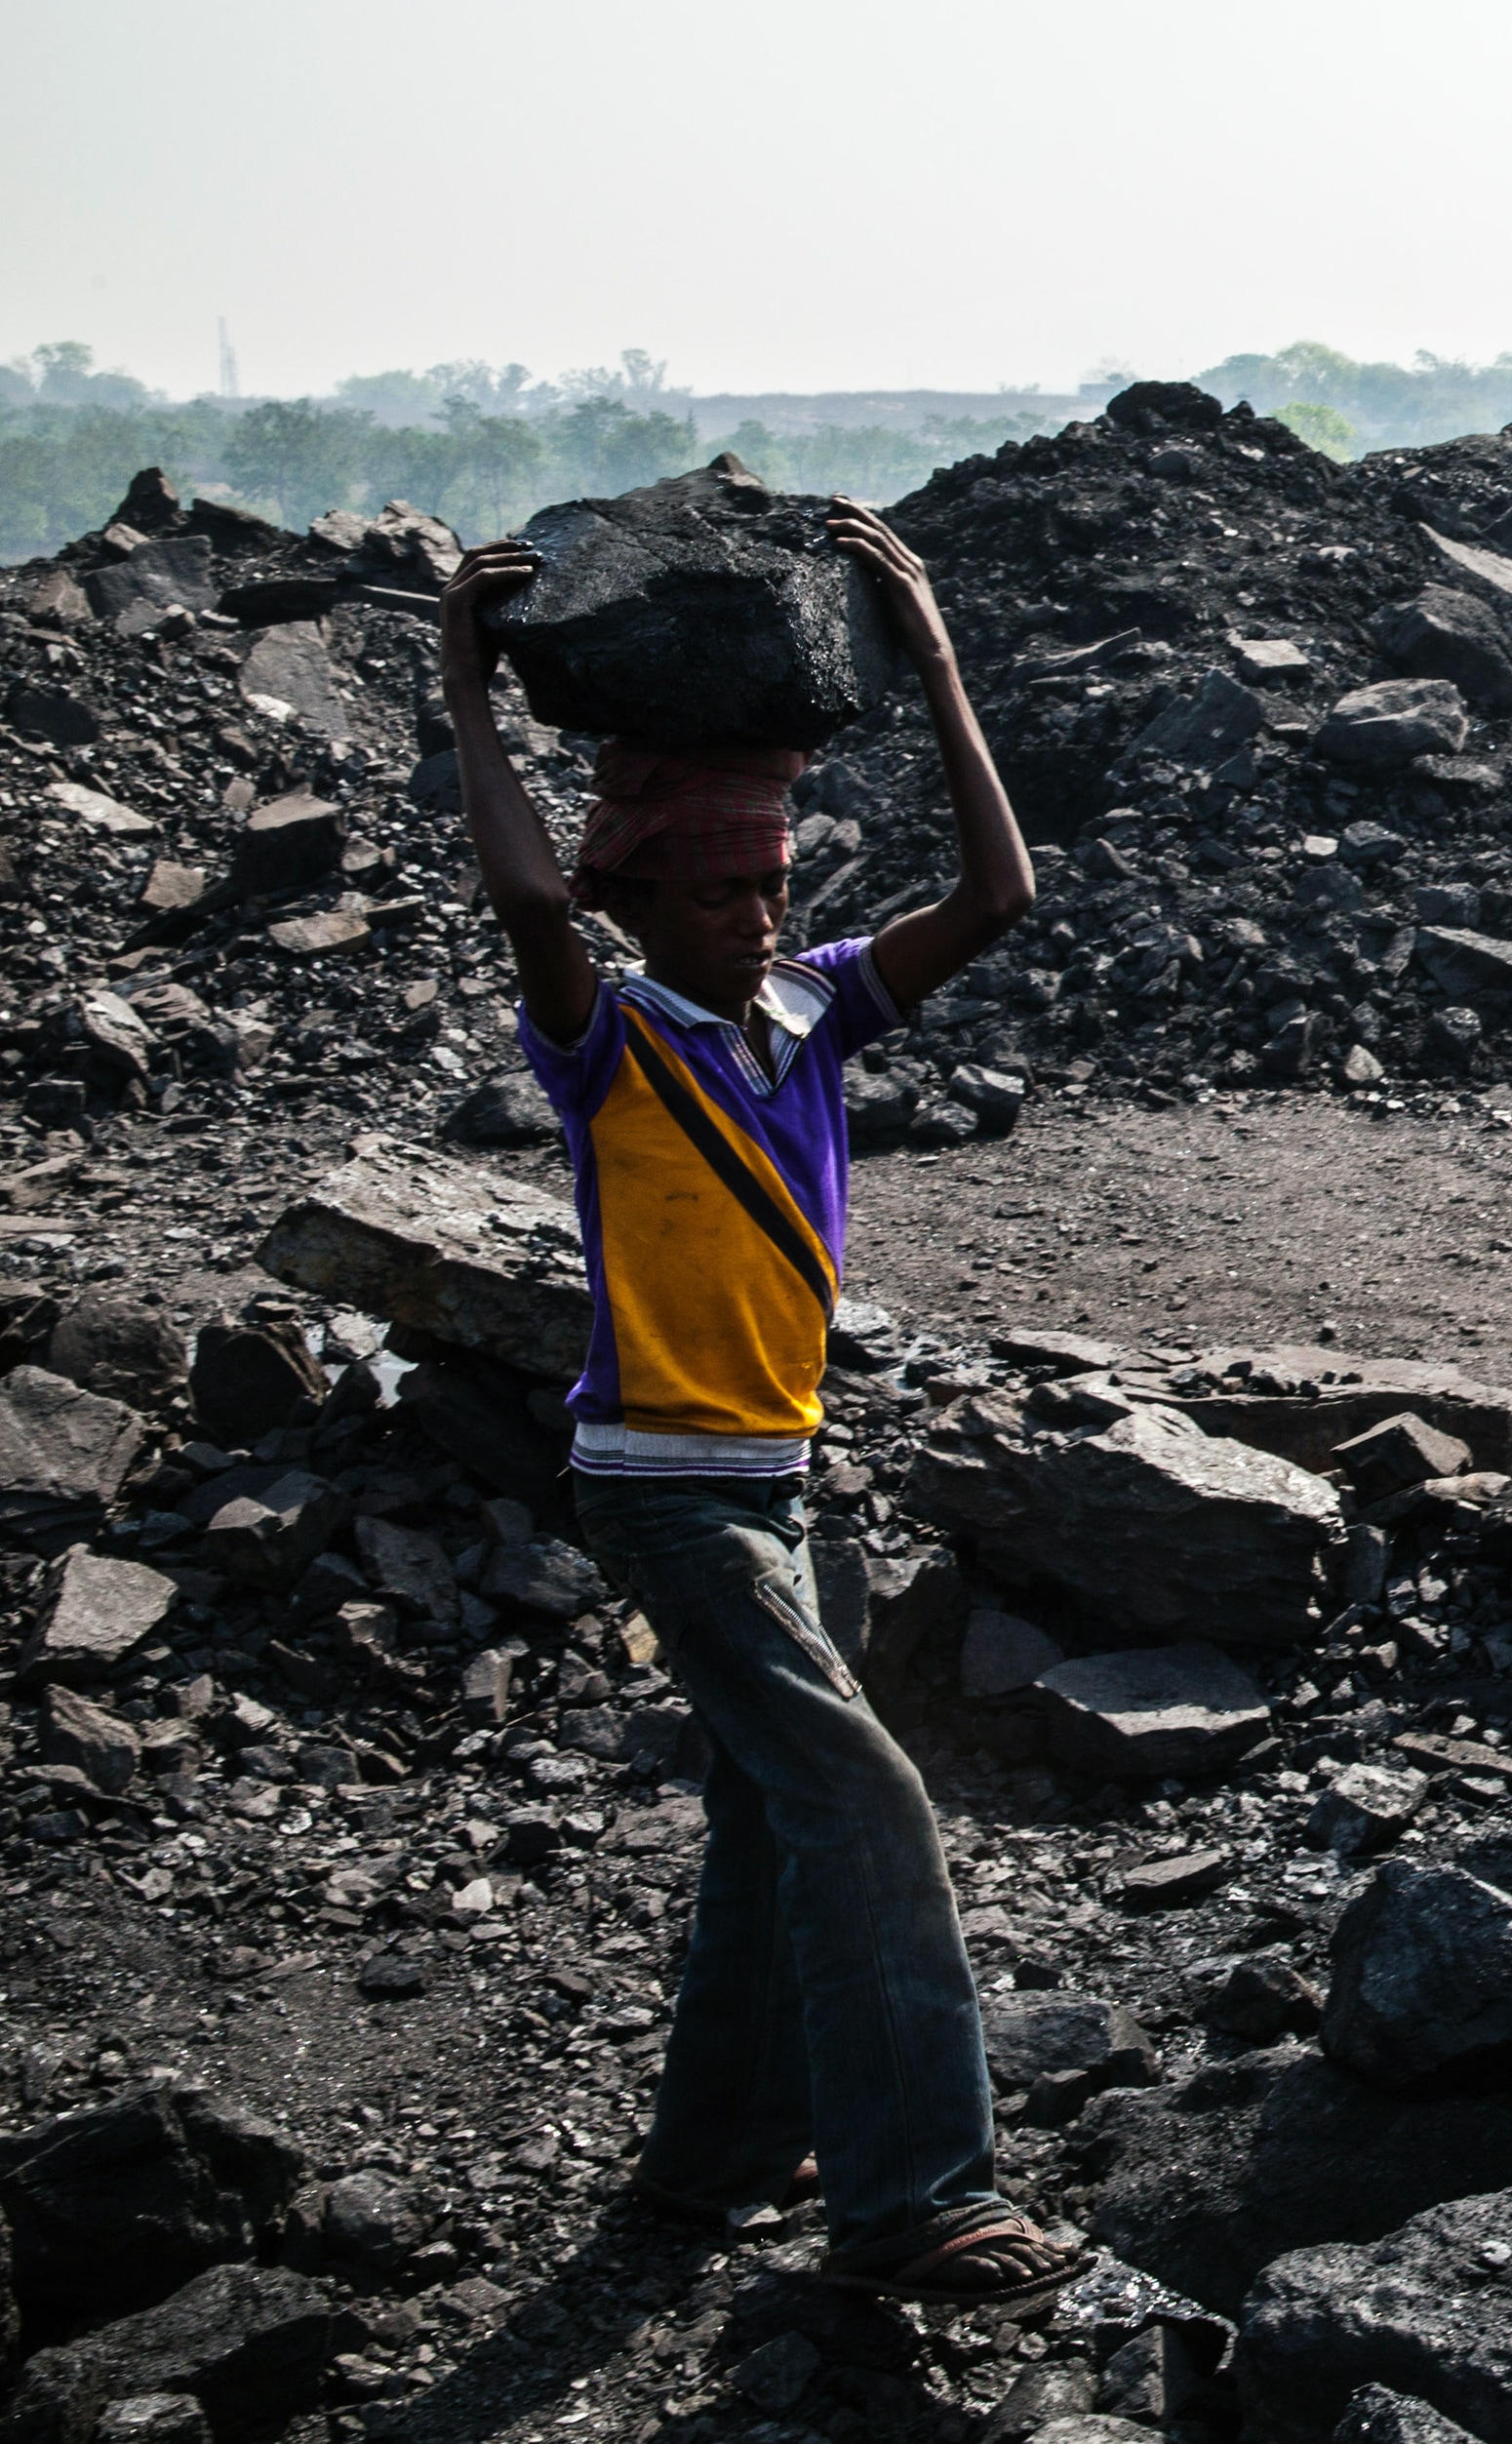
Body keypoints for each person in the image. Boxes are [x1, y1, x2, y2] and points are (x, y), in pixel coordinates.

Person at [438, 502, 1059, 2305]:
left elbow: (1000, 898)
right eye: (719, 892)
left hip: (772, 1477)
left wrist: (934, 655)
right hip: (662, 1488)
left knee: (769, 1812)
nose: (758, 914)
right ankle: (915, 2196)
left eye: (772, 887)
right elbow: (529, 898)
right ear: (637, 904)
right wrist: (463, 691)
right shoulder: (609, 1040)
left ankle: (712, 2152)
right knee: (866, 1801)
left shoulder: (814, 1010)